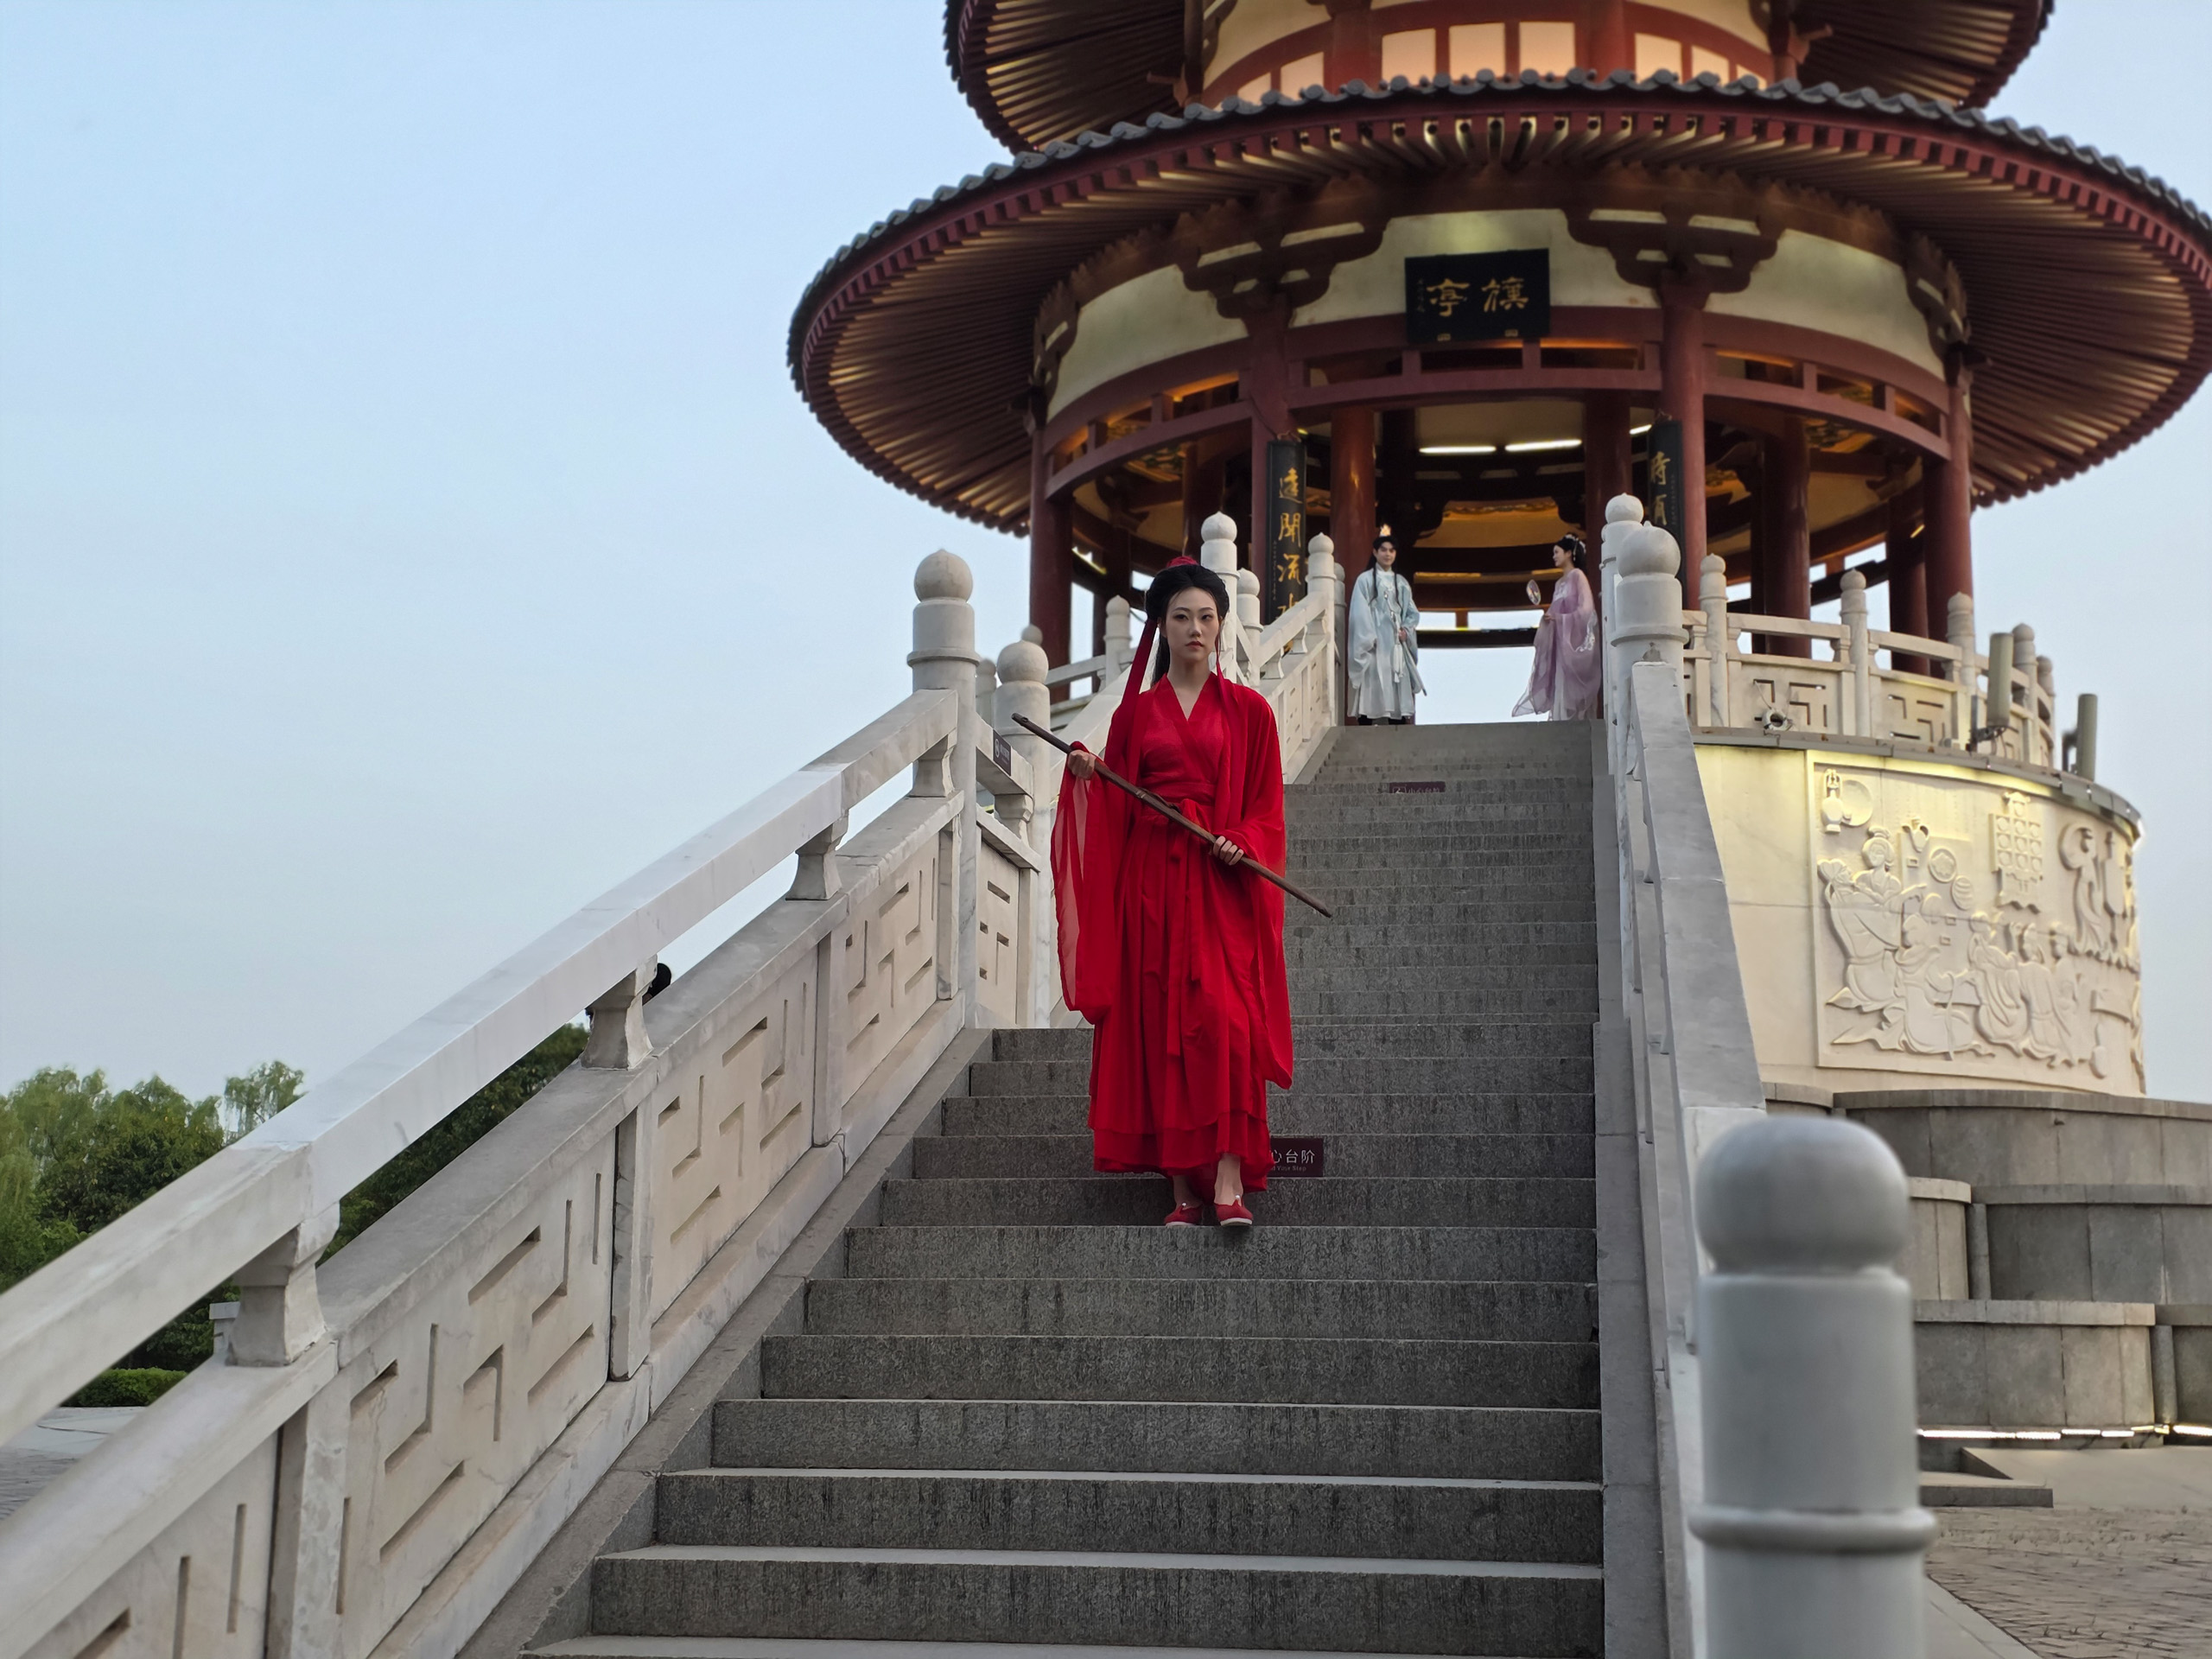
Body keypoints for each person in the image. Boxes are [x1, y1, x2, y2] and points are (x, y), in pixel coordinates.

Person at [1052, 557, 1293, 1228]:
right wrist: (1091, 776)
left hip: (1219, 883)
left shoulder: (1251, 713)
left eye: (1207, 617)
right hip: (1152, 887)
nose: (1195, 628)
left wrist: (1241, 837)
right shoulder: (1136, 715)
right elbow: (1118, 806)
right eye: (1182, 616)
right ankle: (1183, 1190)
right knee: (1158, 1022)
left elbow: (1268, 809)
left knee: (1225, 1019)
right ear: (1161, 625)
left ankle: (1228, 1179)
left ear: (1221, 626)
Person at [1514, 533, 1602, 720]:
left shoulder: (1578, 576)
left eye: (1557, 552)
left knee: (1572, 688)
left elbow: (1587, 610)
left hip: (1573, 641)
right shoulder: (1559, 583)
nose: (1554, 556)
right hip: (1561, 644)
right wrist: (1551, 619)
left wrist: (1562, 619)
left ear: (1569, 553)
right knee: (1560, 683)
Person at [1347, 524, 1423, 723]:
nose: (1387, 554)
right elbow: (1359, 612)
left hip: (1395, 643)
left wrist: (1406, 630)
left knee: (1395, 680)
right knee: (1372, 681)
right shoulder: (1365, 580)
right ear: (1375, 552)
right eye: (1383, 550)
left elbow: (1412, 613)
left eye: (1391, 551)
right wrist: (1368, 637)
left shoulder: (1401, 582)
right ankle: (1366, 722)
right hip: (1374, 641)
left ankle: (1397, 724)